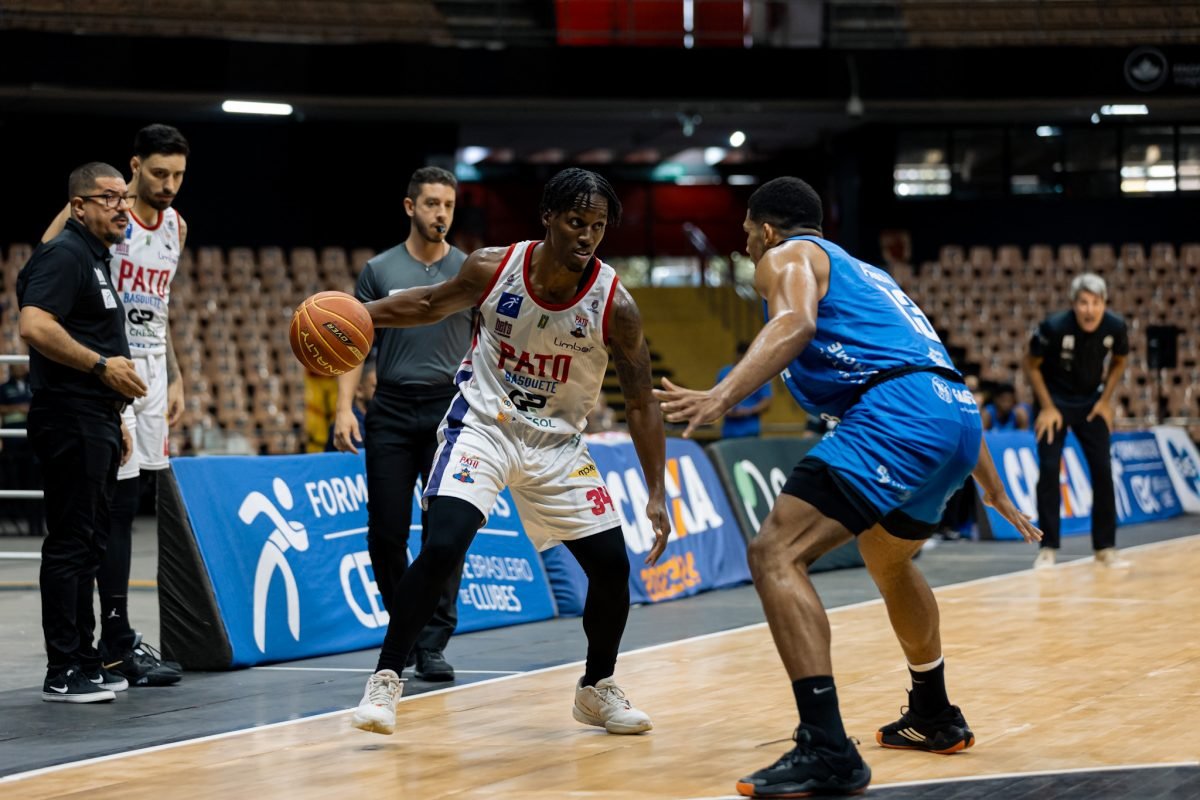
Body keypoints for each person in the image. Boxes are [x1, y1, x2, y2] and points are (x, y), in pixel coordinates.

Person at [655, 177, 1040, 797]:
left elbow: (796, 322)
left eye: (747, 229)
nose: (745, 240)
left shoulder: (787, 258)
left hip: (898, 416)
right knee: (887, 558)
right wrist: (988, 484)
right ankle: (933, 714)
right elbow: (932, 370)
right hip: (954, 416)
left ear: (769, 228)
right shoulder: (871, 277)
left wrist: (723, 393)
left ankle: (827, 748)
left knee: (775, 553)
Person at [347, 168, 671, 736]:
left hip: (558, 444)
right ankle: (386, 678)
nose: (586, 236)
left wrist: (656, 491)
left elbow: (642, 403)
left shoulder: (616, 304)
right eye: (576, 222)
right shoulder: (492, 268)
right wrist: (357, 314)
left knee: (613, 568)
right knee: (444, 542)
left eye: (597, 227)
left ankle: (596, 687)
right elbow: (427, 304)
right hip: (485, 426)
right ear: (547, 218)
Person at [41, 124, 190, 686]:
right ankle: (111, 644)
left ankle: (117, 640)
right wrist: (96, 198)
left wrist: (176, 375)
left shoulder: (176, 225)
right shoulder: (106, 218)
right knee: (110, 511)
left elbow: (164, 304)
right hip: (109, 367)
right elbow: (49, 253)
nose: (169, 185)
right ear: (134, 167)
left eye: (177, 175)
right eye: (158, 174)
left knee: (131, 505)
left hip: (151, 370)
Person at [332, 167, 474, 682]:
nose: (441, 213)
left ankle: (432, 644)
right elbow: (351, 342)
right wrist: (345, 407)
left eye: (449, 205)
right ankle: (407, 626)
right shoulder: (378, 269)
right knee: (386, 533)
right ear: (410, 207)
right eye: (432, 203)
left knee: (445, 535)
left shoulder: (470, 270)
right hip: (390, 408)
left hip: (450, 411)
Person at [18, 162, 149, 702]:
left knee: (91, 542)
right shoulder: (66, 255)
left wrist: (115, 414)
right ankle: (62, 667)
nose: (122, 206)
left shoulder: (97, 259)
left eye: (125, 197)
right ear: (78, 206)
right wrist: (101, 367)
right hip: (68, 416)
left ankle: (87, 660)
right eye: (108, 198)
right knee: (72, 544)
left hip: (93, 417)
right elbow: (33, 324)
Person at [1023, 273, 1129, 570]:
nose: (1089, 310)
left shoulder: (1115, 326)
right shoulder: (1053, 327)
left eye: (1096, 303)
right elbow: (1030, 364)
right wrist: (1046, 406)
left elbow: (1120, 360)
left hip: (1091, 403)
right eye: (1083, 303)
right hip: (1053, 403)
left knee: (1104, 471)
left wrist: (1106, 401)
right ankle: (1048, 549)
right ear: (1074, 304)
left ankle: (1105, 547)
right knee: (1048, 471)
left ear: (1104, 304)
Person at [717, 341, 773, 438]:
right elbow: (717, 400)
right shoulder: (724, 373)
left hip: (751, 430)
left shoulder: (761, 373)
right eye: (741, 357)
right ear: (736, 355)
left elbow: (767, 402)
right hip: (730, 431)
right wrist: (727, 411)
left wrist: (748, 411)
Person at [325, 360, 375, 453]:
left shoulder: (375, 419)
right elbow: (360, 460)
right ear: (359, 390)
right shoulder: (351, 422)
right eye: (374, 386)